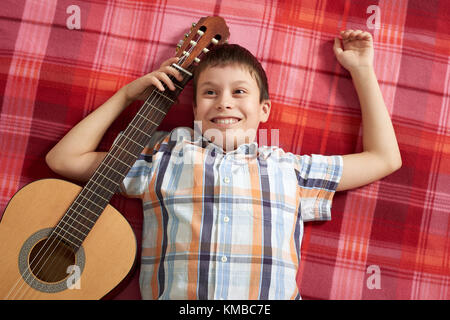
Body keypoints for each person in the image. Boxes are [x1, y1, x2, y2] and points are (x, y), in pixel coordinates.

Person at [45, 29, 402, 299]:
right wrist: (126, 95)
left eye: (239, 92)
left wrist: (361, 70)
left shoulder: (288, 170)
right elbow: (64, 160)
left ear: (264, 110)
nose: (224, 102)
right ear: (196, 109)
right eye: (210, 92)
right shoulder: (163, 158)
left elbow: (384, 158)